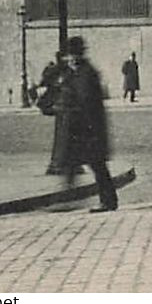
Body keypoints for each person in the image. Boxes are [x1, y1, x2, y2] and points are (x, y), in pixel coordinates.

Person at [54, 36, 117, 213]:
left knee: (96, 165)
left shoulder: (85, 73)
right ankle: (71, 197)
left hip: (88, 129)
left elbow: (84, 100)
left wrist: (68, 106)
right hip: (85, 128)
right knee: (88, 163)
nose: (68, 59)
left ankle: (107, 201)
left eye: (70, 56)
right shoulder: (79, 72)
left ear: (74, 56)